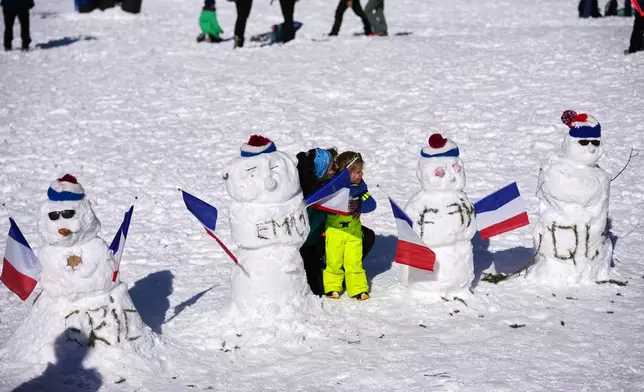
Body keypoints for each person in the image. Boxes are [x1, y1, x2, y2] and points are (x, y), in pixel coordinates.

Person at [323, 151, 376, 301]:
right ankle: (333, 286)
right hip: (334, 232)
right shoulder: (332, 188)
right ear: (346, 173)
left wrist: (360, 207)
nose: (361, 175)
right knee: (334, 261)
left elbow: (372, 204)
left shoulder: (361, 189)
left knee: (354, 262)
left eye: (361, 171)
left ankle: (358, 288)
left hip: (353, 233)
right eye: (357, 172)